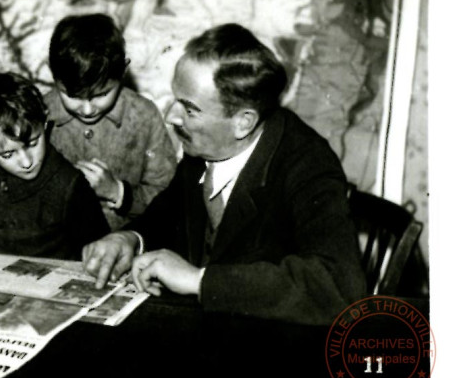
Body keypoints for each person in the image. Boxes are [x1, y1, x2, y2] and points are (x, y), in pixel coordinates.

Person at [82, 23, 365, 325]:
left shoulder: (307, 163)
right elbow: (169, 210)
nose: (171, 116)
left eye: (189, 110)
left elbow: (339, 285)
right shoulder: (205, 146)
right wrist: (130, 239)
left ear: (243, 122)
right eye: (176, 100)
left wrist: (200, 281)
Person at [44, 13, 177, 230]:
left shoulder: (144, 115)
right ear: (53, 74)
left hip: (124, 242)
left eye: (100, 94)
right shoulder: (40, 113)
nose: (87, 109)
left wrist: (117, 192)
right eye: (73, 96)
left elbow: (169, 194)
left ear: (123, 72)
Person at [0, 72, 110, 260]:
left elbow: (101, 252)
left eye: (33, 143)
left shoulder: (71, 186)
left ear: (45, 123)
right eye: (8, 154)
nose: (27, 162)